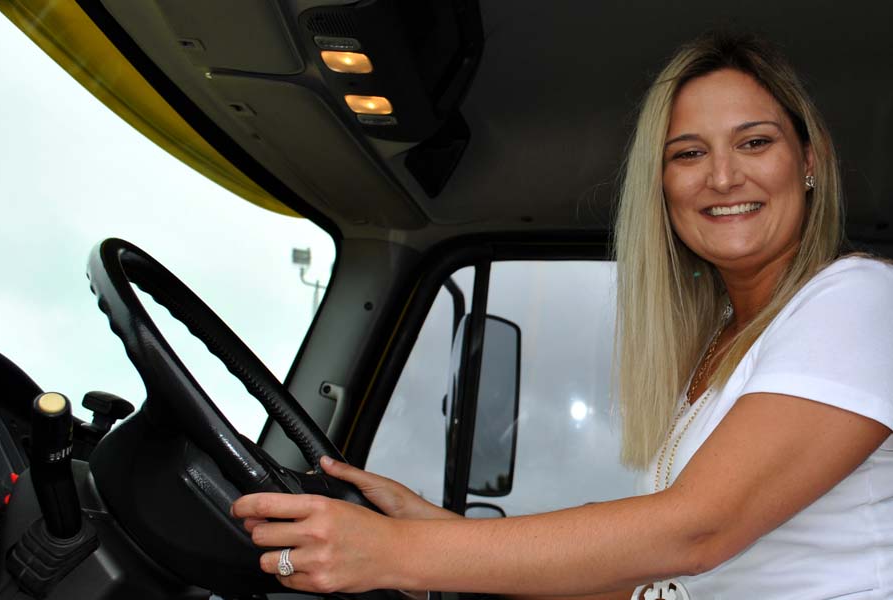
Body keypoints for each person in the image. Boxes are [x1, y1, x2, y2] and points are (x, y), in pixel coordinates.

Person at [231, 32, 893, 598]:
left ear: (808, 162)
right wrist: (444, 541)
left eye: (754, 142)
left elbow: (695, 530)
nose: (722, 178)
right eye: (689, 153)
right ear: (662, 188)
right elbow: (655, 577)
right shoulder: (723, 345)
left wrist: (394, 551)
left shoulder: (859, 298)